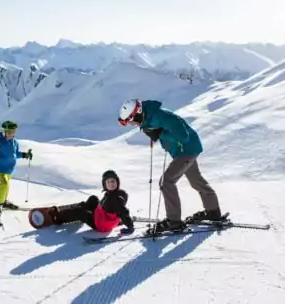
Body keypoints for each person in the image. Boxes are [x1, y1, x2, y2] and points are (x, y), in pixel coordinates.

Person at [118, 99, 222, 233]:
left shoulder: (161, 116)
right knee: (196, 180)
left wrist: (161, 133)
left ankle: (174, 221)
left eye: (130, 120)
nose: (131, 124)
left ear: (137, 113)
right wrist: (158, 133)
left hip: (187, 150)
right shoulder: (149, 118)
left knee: (166, 181)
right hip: (184, 150)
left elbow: (183, 136)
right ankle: (213, 211)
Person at [50, 170, 135, 235]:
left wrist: (130, 227)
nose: (111, 184)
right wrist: (118, 220)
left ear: (117, 182)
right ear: (104, 185)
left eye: (113, 181)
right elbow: (117, 211)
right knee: (93, 199)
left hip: (101, 225)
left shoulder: (115, 200)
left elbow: (123, 211)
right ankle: (82, 207)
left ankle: (58, 218)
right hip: (103, 216)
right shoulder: (119, 193)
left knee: (81, 212)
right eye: (108, 182)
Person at [0, 120, 33, 215]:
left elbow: (16, 154)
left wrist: (25, 155)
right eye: (9, 132)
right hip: (1, 168)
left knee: (7, 186)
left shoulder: (15, 142)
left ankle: (4, 201)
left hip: (10, 169)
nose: (11, 134)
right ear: (4, 132)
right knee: (4, 184)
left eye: (13, 132)